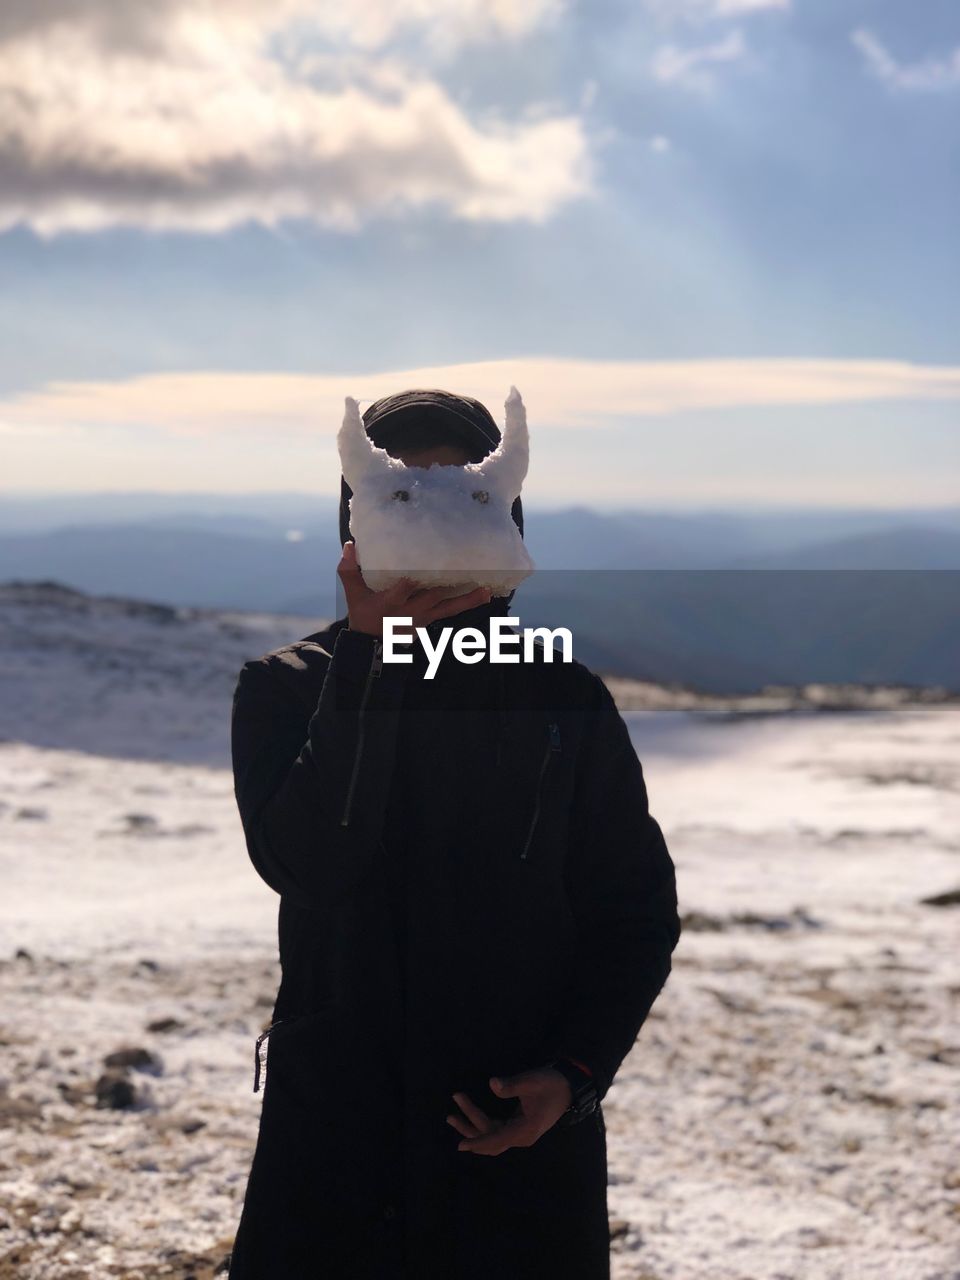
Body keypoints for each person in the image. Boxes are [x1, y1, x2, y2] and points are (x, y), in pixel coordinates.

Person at [226, 388, 682, 1280]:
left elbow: (633, 907)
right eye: (408, 486)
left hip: (511, 1117)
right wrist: (368, 655)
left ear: (503, 515)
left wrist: (576, 1072)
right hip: (338, 1121)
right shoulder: (287, 689)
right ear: (357, 517)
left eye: (459, 487)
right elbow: (308, 864)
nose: (433, 513)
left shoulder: (561, 696)